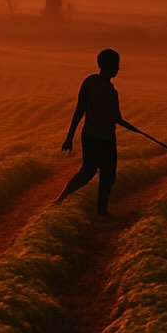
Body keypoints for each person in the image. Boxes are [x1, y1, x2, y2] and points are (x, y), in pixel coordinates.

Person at [55, 49, 144, 217]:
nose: (118, 68)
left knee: (108, 176)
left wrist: (136, 130)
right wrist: (70, 136)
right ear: (108, 66)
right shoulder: (91, 82)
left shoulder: (112, 91)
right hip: (92, 136)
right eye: (116, 64)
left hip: (108, 138)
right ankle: (60, 199)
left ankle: (101, 211)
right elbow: (80, 109)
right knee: (88, 171)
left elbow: (117, 118)